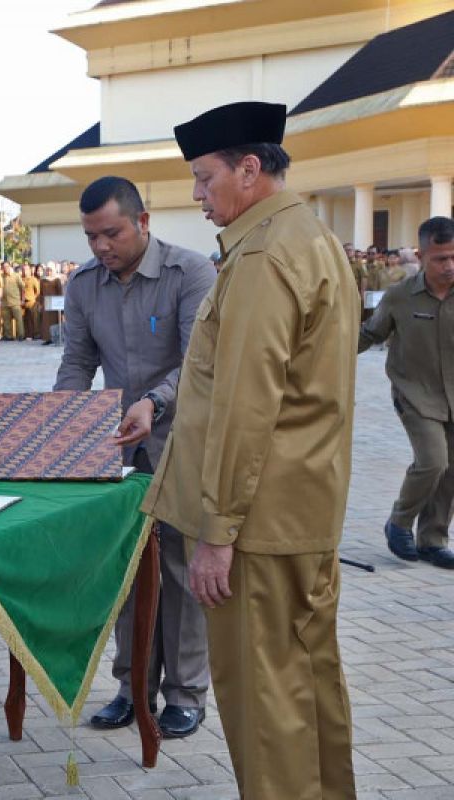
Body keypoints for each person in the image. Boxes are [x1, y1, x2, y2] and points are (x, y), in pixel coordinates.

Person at [142, 101, 358, 798]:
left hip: (258, 527)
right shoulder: (308, 237)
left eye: (204, 180)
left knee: (264, 707)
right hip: (300, 509)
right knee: (306, 684)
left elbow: (243, 406)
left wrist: (217, 532)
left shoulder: (264, 257)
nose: (197, 196)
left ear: (250, 169)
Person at [55, 176, 216, 737]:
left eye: (112, 233)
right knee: (127, 570)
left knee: (179, 567)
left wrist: (153, 401)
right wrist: (62, 430)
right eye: (91, 236)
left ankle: (186, 693)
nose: (101, 246)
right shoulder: (84, 286)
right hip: (118, 450)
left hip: (183, 442)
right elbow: (77, 362)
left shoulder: (190, 273)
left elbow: (200, 362)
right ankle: (132, 687)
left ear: (143, 222)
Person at [360, 216, 454, 569]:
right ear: (423, 255)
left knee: (451, 471)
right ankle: (399, 522)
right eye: (440, 258)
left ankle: (432, 540)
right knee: (433, 461)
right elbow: (370, 334)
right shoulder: (400, 296)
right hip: (416, 394)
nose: (449, 266)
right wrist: (327, 358)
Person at [0, 262, 24, 340]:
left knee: (19, 320)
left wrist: (22, 299)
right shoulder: (1, 277)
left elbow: (22, 288)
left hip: (15, 302)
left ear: (10, 267)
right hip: (5, 302)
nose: (5, 268)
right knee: (6, 321)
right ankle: (8, 336)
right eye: (3, 267)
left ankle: (21, 335)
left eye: (6, 266)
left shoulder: (16, 276)